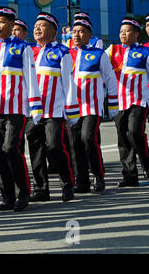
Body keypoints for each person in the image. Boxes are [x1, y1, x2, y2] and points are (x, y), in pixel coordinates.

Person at [0, 6, 42, 212]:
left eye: (2, 22)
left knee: (11, 149)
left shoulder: (23, 48)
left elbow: (31, 77)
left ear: (12, 25)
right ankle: (7, 197)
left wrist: (35, 106)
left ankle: (22, 192)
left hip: (16, 109)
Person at [26, 12, 79, 203]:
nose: (37, 28)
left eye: (42, 25)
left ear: (54, 31)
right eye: (35, 25)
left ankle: (67, 183)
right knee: (36, 150)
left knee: (55, 147)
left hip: (54, 111)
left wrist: (71, 111)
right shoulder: (29, 52)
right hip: (34, 111)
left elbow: (69, 83)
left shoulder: (62, 52)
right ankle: (41, 189)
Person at [68, 19, 118, 193]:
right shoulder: (67, 54)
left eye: (81, 31)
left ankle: (98, 175)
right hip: (73, 108)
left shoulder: (98, 54)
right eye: (74, 31)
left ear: (89, 35)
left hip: (92, 106)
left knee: (88, 139)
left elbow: (110, 79)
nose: (76, 35)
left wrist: (113, 104)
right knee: (75, 144)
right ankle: (81, 181)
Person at [105, 17, 149, 187]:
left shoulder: (145, 53)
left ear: (137, 34)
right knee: (123, 138)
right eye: (121, 30)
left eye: (127, 30)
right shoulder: (112, 50)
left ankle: (147, 164)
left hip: (138, 100)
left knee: (134, 133)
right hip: (118, 103)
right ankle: (130, 176)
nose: (123, 33)